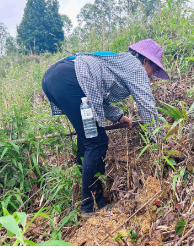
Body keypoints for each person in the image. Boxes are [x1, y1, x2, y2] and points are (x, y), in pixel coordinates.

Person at [42, 39, 167, 218]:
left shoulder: (120, 61)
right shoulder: (136, 67)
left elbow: (96, 94)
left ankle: (86, 190)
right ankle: (90, 206)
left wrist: (118, 116)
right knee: (97, 141)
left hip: (55, 76)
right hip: (72, 78)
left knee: (87, 138)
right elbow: (147, 105)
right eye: (154, 70)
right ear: (146, 61)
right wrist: (160, 138)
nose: (151, 76)